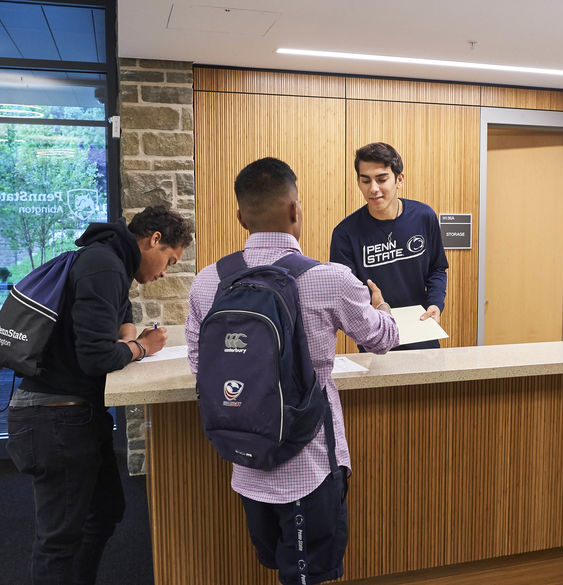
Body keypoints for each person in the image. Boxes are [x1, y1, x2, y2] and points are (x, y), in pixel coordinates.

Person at [185, 157, 398, 585]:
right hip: (310, 465)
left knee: (275, 563)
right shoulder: (330, 279)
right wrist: (382, 309)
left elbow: (198, 362)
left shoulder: (208, 281)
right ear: (295, 211)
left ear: (240, 216)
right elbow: (381, 340)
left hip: (244, 461)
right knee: (308, 575)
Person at [6, 205, 192, 585]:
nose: (163, 273)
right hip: (55, 418)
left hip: (69, 415)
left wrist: (128, 333)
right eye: (169, 261)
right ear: (154, 239)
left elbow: (114, 322)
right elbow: (95, 358)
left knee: (105, 510)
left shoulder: (110, 259)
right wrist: (142, 348)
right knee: (58, 542)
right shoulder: (104, 264)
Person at [329, 142, 448, 350]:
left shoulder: (424, 217)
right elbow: (344, 296)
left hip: (423, 333)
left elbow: (437, 269)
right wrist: (376, 311)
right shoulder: (345, 234)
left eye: (381, 179)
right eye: (365, 181)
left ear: (399, 179)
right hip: (376, 340)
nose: (373, 189)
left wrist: (435, 304)